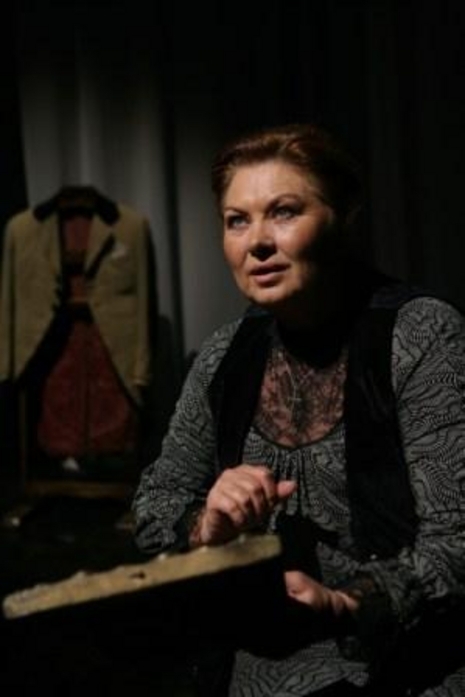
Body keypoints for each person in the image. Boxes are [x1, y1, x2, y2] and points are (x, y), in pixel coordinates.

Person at [132, 123, 465, 696]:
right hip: (254, 664)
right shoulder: (225, 354)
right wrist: (207, 524)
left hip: (400, 666)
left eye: (284, 212)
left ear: (343, 217)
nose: (257, 242)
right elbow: (154, 507)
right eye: (237, 220)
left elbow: (457, 541)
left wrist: (346, 602)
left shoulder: (419, 335)